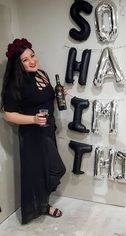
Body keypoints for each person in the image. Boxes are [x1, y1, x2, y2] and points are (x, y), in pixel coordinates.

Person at [0, 38, 66, 224]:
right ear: (18, 65)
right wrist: (33, 120)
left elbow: (44, 100)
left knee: (50, 170)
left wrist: (60, 96)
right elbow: (8, 115)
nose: (32, 61)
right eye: (25, 60)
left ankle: (43, 204)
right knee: (37, 173)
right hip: (31, 135)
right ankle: (41, 207)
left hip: (47, 130)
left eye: (32, 55)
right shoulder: (15, 84)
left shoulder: (42, 74)